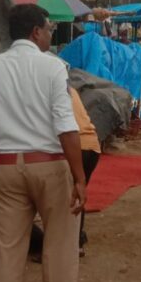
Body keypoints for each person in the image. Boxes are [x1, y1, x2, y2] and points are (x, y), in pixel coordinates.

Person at [0, 4, 86, 282]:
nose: (50, 34)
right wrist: (80, 177)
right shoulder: (53, 66)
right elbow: (65, 124)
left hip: (5, 169)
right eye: (48, 28)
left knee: (6, 251)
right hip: (49, 165)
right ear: (36, 31)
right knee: (60, 248)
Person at [29, 86, 102, 259]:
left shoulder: (47, 90)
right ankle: (77, 244)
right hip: (92, 145)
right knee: (77, 194)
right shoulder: (71, 89)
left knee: (62, 201)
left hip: (75, 146)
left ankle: (57, 249)